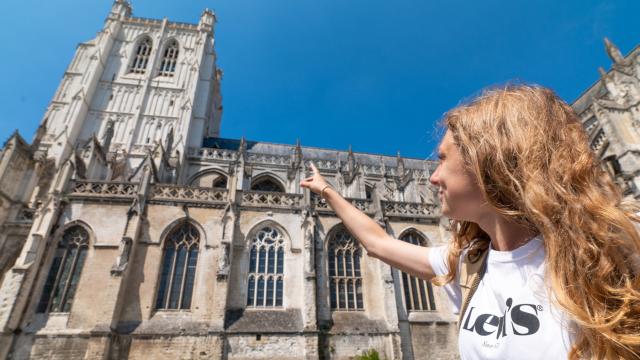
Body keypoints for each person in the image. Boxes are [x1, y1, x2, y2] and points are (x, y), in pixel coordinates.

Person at [300, 84, 640, 359]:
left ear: (489, 164)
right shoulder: (467, 264)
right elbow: (378, 243)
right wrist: (327, 191)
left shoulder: (607, 256)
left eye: (443, 159)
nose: (431, 177)